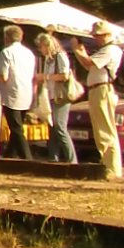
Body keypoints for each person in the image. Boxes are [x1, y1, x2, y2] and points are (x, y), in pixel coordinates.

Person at [72, 21, 124, 179]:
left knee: (105, 130)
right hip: (97, 90)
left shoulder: (111, 50)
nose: (96, 39)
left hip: (102, 90)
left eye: (98, 36)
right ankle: (107, 165)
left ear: (107, 35)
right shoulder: (105, 50)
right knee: (100, 130)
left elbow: (88, 62)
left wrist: (76, 49)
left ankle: (112, 168)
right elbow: (88, 64)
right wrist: (80, 51)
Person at [34, 32, 77, 164]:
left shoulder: (61, 57)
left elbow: (64, 76)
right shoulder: (48, 59)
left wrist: (45, 77)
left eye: (41, 47)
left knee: (59, 126)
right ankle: (53, 158)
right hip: (51, 95)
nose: (40, 50)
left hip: (61, 96)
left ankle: (72, 159)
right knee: (52, 127)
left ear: (47, 45)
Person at [0, 25, 36, 160]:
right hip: (26, 92)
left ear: (6, 37)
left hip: (11, 94)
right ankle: (9, 155)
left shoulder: (6, 52)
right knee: (17, 127)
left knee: (16, 128)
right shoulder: (29, 53)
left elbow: (4, 76)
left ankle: (27, 158)